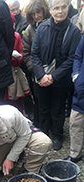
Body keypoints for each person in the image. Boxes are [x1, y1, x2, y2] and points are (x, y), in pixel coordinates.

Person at [31, 0, 81, 151]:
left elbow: (72, 58)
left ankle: (57, 135)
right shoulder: (42, 28)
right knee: (43, 107)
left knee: (58, 108)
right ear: (51, 11)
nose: (60, 11)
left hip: (61, 79)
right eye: (56, 8)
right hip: (42, 77)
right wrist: (41, 75)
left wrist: (53, 76)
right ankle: (45, 133)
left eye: (63, 7)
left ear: (68, 8)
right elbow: (35, 53)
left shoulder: (73, 31)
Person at [22, 0, 50, 127]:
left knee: (52, 100)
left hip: (52, 70)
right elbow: (26, 53)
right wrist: (34, 69)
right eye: (33, 14)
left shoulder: (52, 25)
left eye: (39, 12)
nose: (37, 16)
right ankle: (40, 126)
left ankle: (52, 126)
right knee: (38, 101)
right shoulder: (29, 30)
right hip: (36, 73)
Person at [64, 35, 84, 163]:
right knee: (75, 122)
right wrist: (76, 76)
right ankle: (75, 155)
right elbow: (78, 56)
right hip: (81, 90)